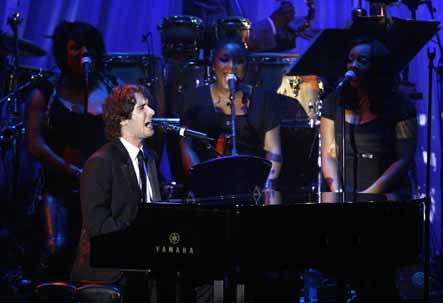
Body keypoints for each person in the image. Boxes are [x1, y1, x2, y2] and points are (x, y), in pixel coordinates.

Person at [320, 37, 417, 302]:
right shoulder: (335, 101)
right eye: (350, 59)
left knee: (378, 278)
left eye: (362, 60)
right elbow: (328, 152)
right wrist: (338, 193)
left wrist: (370, 196)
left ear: (378, 68)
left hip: (383, 198)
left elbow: (404, 158)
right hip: (344, 196)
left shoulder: (400, 105)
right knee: (341, 271)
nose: (353, 65)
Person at [26, 21, 118, 281]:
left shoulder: (111, 88)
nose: (83, 53)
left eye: (89, 47)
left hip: (101, 191)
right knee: (57, 253)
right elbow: (35, 144)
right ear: (63, 52)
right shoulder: (45, 92)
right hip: (59, 187)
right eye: (75, 47)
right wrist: (73, 171)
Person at [71, 84, 162, 302]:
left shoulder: (149, 159)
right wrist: (143, 236)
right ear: (123, 120)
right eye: (142, 108)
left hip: (141, 269)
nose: (152, 112)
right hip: (108, 274)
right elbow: (99, 227)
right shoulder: (101, 162)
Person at [173, 37, 283, 192]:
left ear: (247, 65)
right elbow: (186, 148)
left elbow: (274, 152)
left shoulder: (263, 100)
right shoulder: (193, 99)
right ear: (213, 64)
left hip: (252, 187)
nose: (231, 67)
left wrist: (266, 189)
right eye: (224, 60)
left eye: (239, 61)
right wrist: (202, 185)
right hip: (206, 187)